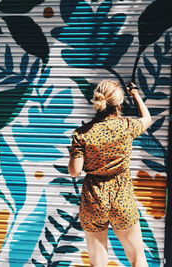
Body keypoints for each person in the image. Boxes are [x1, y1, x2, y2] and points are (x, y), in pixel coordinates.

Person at [68, 80, 152, 267]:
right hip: (122, 197)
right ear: (119, 102)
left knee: (98, 263)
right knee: (138, 259)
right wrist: (136, 95)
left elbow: (74, 171)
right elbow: (147, 118)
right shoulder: (127, 126)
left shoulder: (82, 134)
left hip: (93, 200)